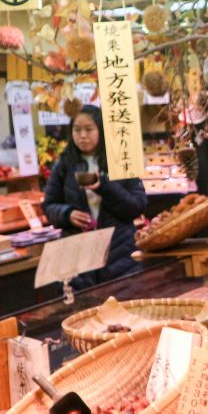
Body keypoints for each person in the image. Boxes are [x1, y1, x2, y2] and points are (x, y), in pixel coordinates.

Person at [42, 105, 148, 290]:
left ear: (101, 129)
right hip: (78, 259)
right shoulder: (65, 163)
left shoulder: (120, 159)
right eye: (77, 129)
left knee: (123, 313)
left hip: (119, 255)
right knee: (83, 314)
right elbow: (49, 205)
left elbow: (137, 205)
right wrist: (67, 214)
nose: (82, 135)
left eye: (89, 129)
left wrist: (104, 186)